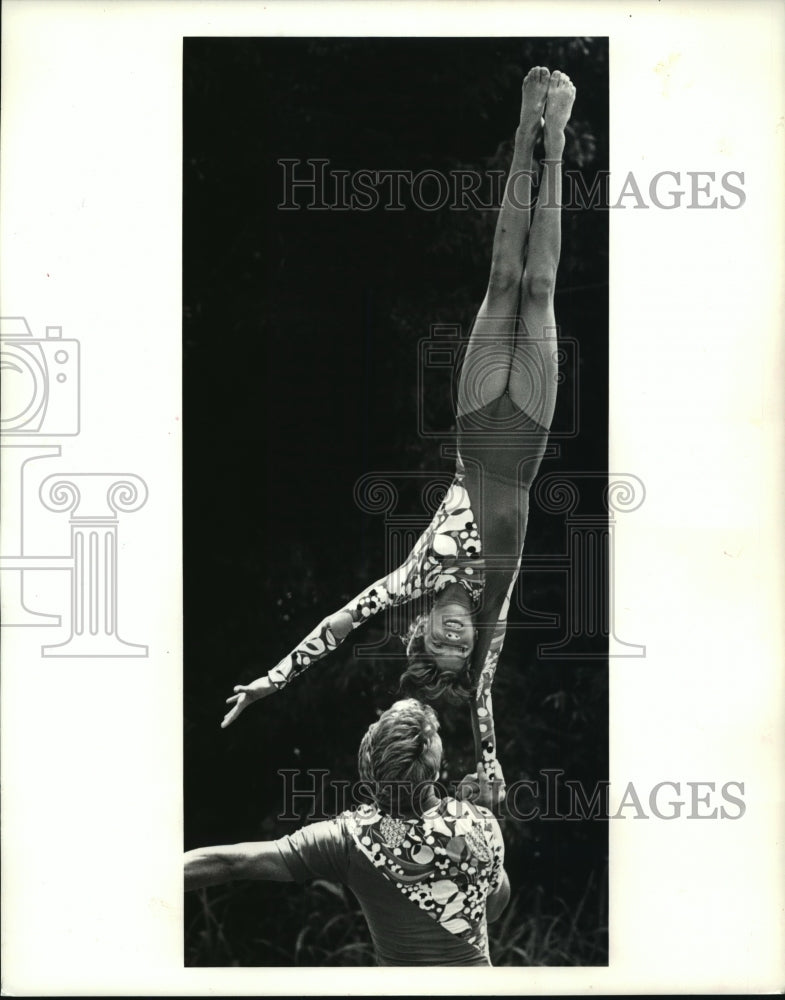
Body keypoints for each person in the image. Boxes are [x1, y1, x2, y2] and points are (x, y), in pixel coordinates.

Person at [221, 67, 577, 796]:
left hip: (478, 430)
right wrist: (491, 770)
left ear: (418, 635)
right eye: (461, 648)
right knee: (539, 289)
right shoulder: (492, 612)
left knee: (501, 285)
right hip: (529, 439)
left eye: (442, 643)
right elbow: (481, 710)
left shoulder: (408, 582)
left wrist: (268, 682)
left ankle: (520, 135)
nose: (457, 640)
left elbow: (335, 627)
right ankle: (555, 147)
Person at [186, 699, 510, 966]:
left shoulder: (350, 839)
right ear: (436, 768)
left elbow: (232, 863)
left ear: (372, 768)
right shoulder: (480, 823)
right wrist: (483, 816)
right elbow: (493, 908)